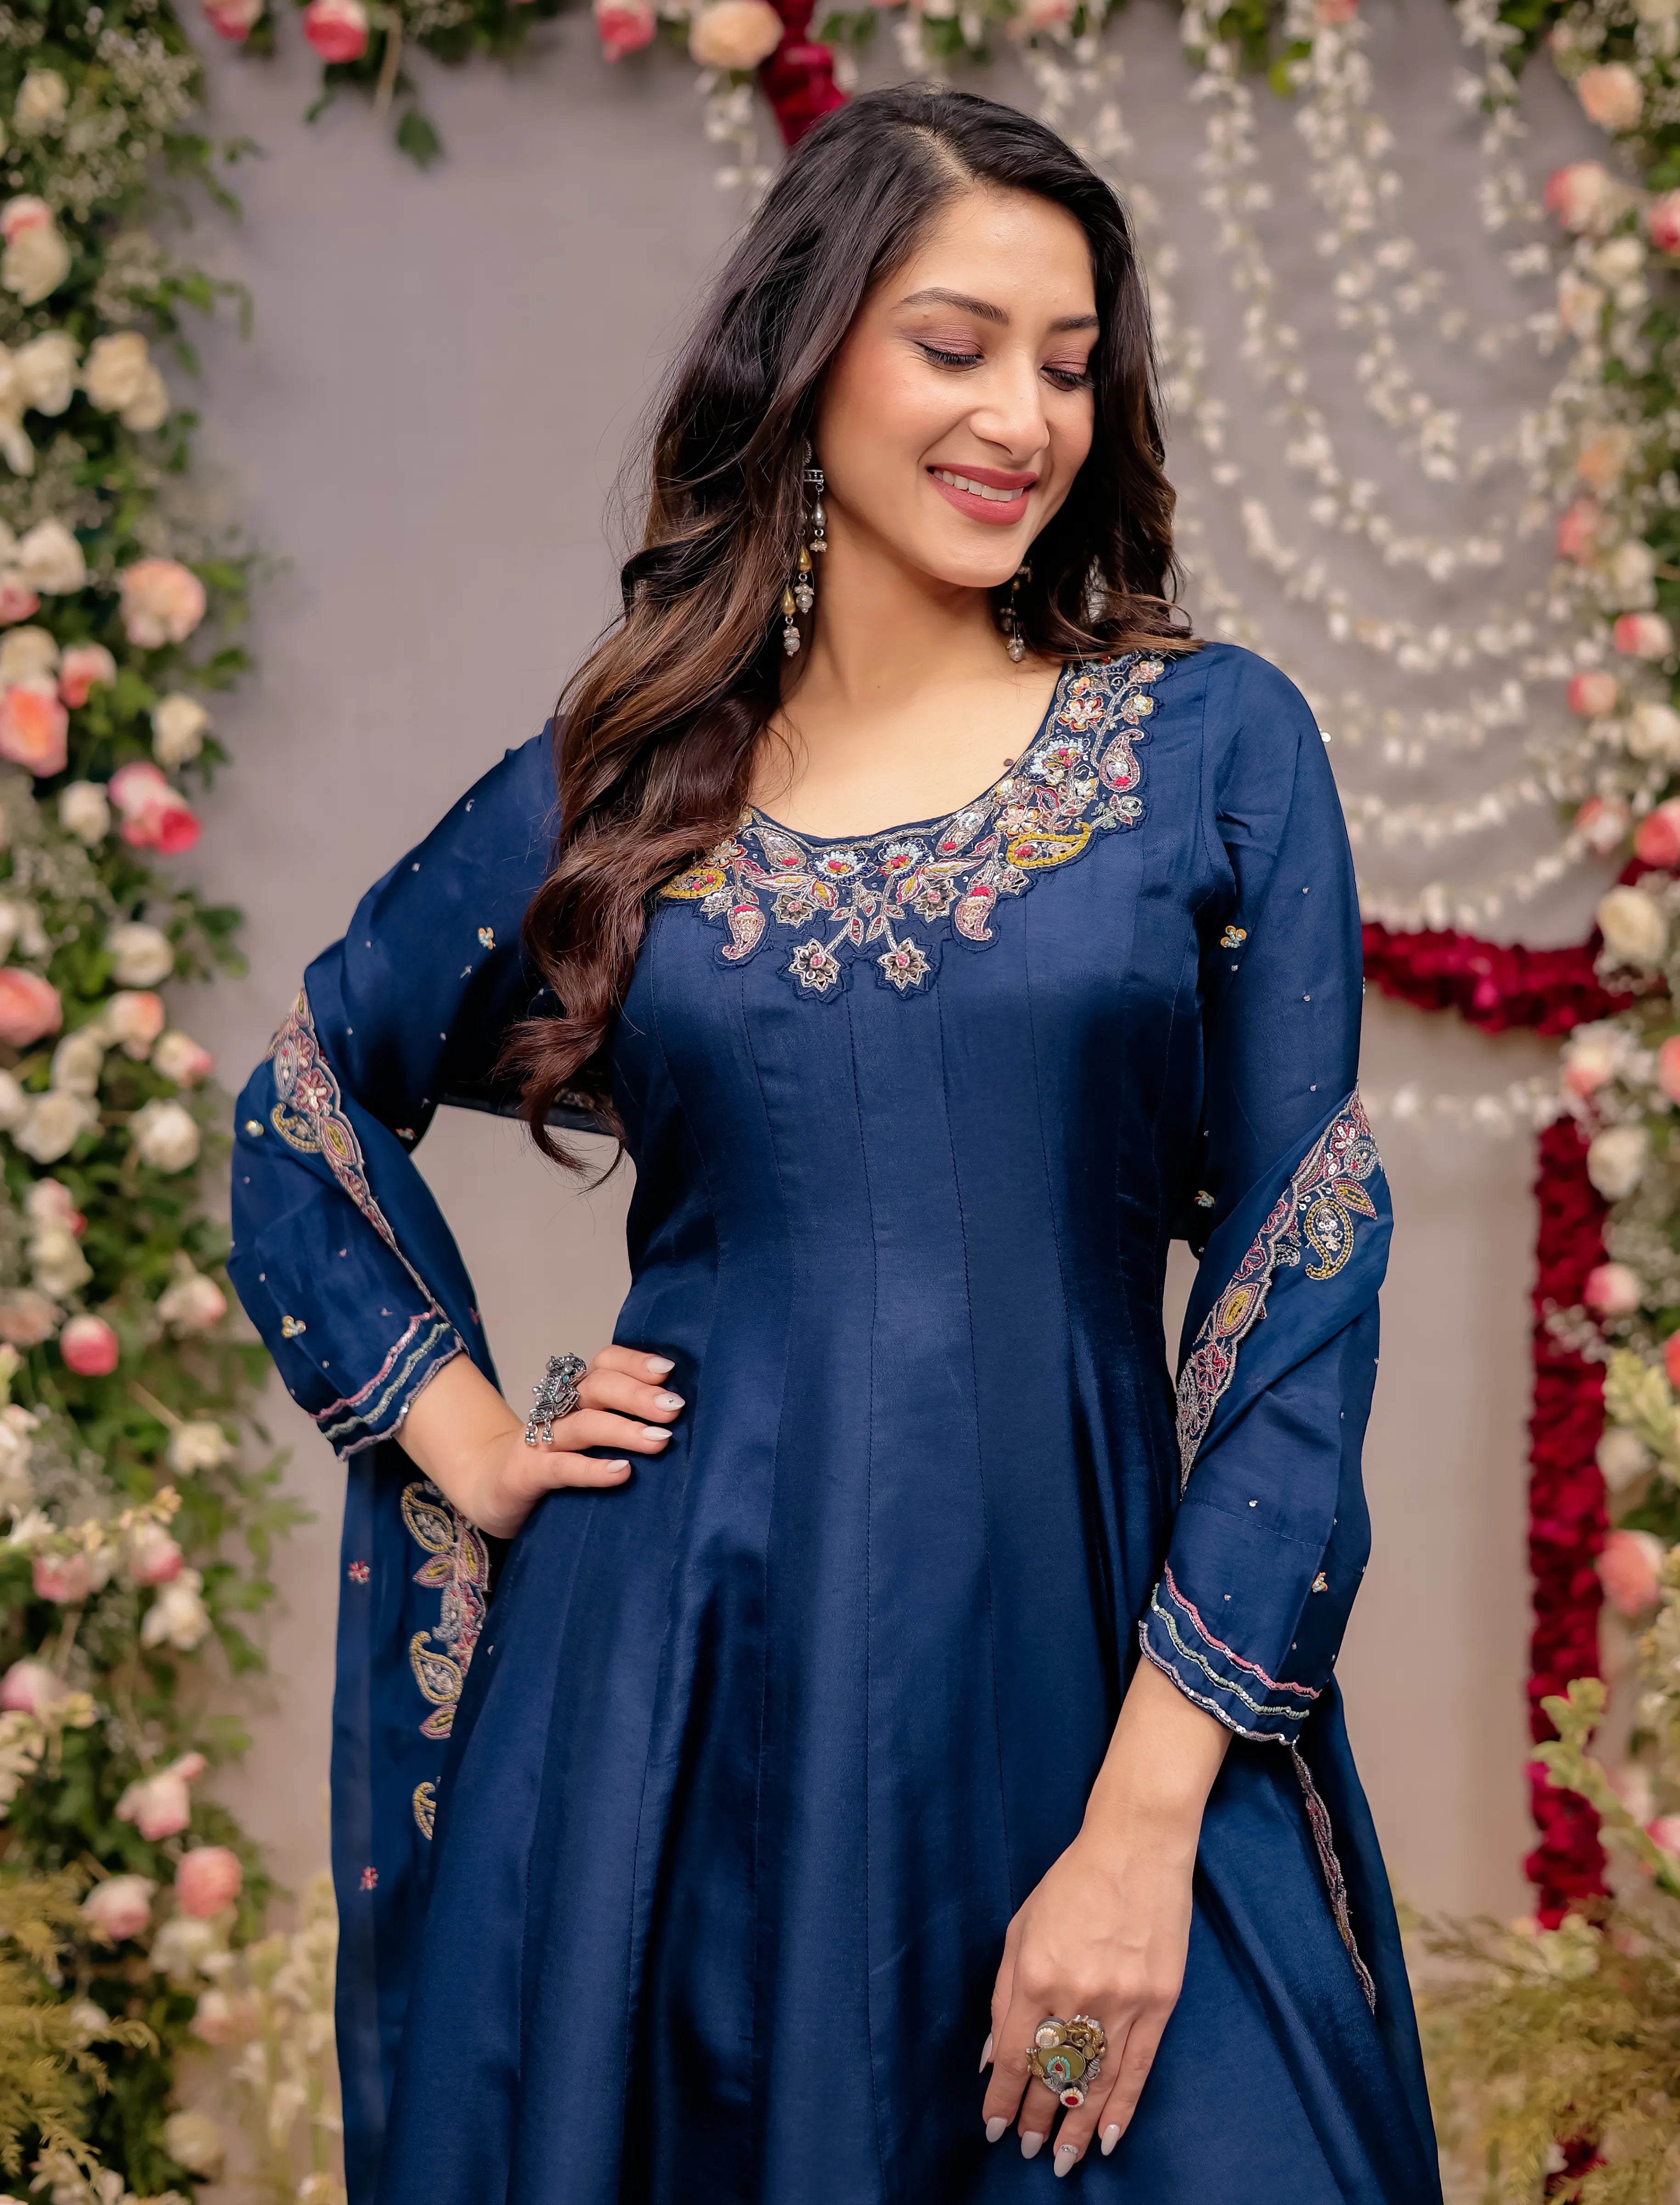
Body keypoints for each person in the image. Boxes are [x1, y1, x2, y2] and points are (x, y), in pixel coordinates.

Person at [229, 83, 1441, 2205]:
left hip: (1086, 1668)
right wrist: (469, 1437)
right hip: (680, 1702)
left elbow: (1293, 1295)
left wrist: (1143, 1825)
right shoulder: (627, 781)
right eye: (953, 344)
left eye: (1069, 365)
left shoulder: (1207, 748)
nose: (1023, 417)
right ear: (806, 358)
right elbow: (304, 1105)